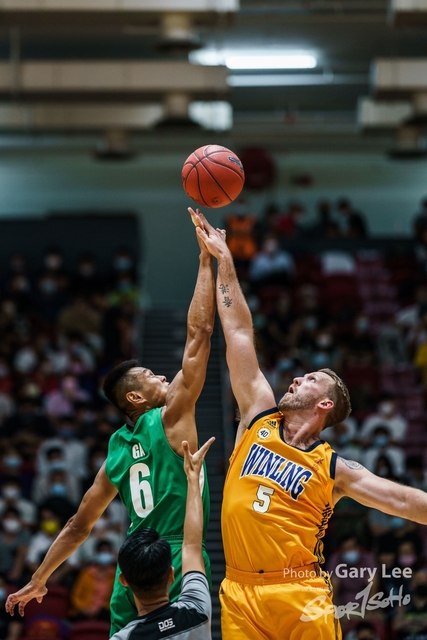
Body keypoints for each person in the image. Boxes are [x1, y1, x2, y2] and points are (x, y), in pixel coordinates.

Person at [193, 208, 427, 640]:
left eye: (311, 379)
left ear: (324, 404)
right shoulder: (258, 415)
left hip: (300, 593)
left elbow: (402, 501)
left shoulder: (332, 466)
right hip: (239, 592)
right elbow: (239, 332)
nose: (297, 377)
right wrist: (224, 260)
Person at [6, 210, 216, 636]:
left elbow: (78, 526)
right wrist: (205, 261)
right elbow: (201, 333)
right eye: (153, 377)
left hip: (130, 572)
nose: (163, 376)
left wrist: (39, 579)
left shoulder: (115, 452)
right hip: (176, 559)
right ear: (136, 397)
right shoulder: (171, 415)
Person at [110, 437, 214, 640]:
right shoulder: (197, 609)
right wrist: (193, 479)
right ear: (171, 574)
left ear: (123, 580)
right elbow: (191, 545)